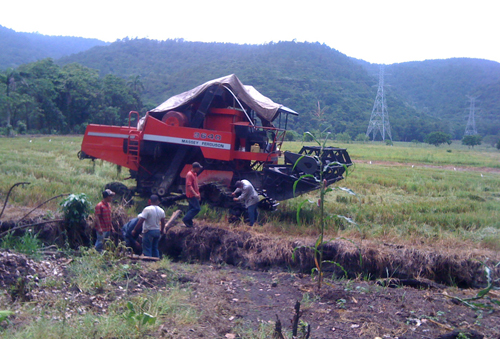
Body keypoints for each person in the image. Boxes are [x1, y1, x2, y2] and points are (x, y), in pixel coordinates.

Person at [182, 162, 202, 227]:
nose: (199, 169)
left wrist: (198, 194)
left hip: (195, 194)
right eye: (198, 168)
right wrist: (195, 194)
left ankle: (189, 222)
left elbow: (196, 185)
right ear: (195, 168)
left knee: (191, 208)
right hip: (191, 195)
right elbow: (189, 186)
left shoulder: (195, 174)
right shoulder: (189, 174)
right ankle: (185, 219)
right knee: (197, 208)